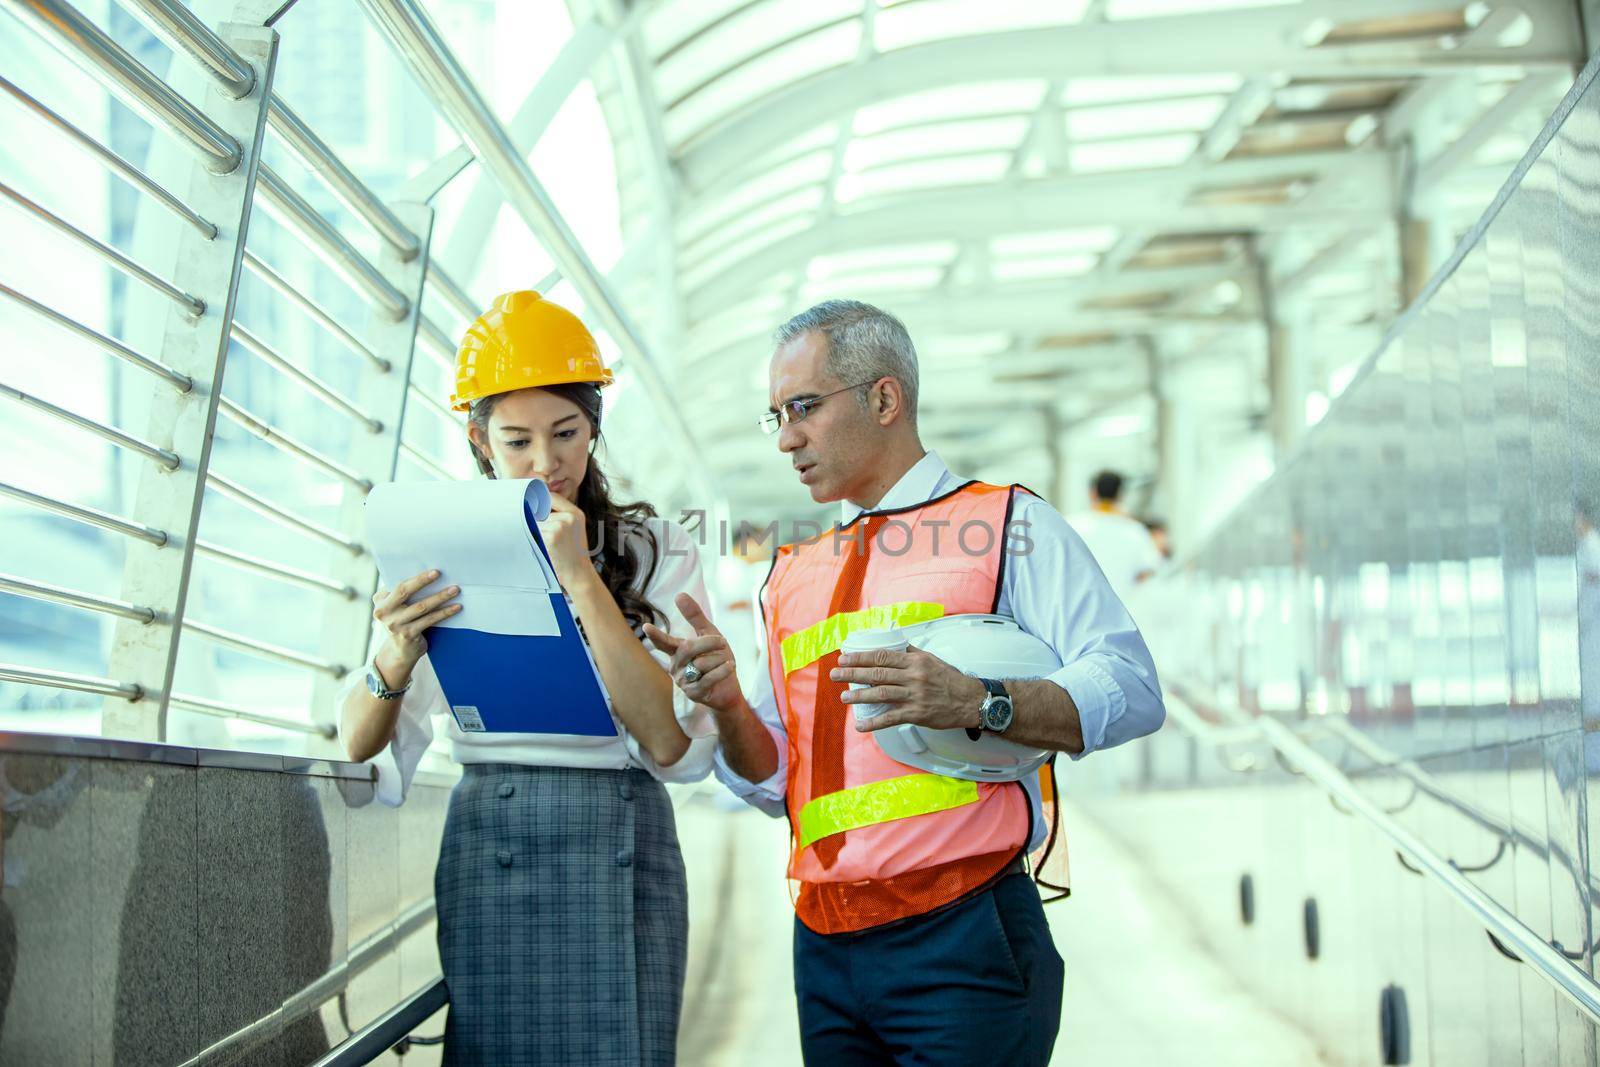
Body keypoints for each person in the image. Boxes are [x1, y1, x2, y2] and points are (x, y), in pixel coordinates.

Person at [644, 300, 1165, 1066]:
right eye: (776, 416)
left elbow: (1132, 684)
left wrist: (982, 701)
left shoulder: (1007, 524)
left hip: (963, 935)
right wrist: (725, 705)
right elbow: (776, 778)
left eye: (804, 407)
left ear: (884, 399)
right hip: (823, 945)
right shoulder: (791, 574)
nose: (787, 436)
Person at [339, 291, 716, 1066]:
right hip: (494, 842)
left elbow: (670, 742)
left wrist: (581, 579)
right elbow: (358, 743)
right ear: (478, 441)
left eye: (567, 434)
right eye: (517, 441)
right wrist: (398, 654)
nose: (547, 463)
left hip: (624, 835)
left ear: (595, 426)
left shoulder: (652, 547)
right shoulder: (439, 547)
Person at [1065, 470, 1164, 601]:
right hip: (1123, 612)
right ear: (1121, 495)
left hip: (1080, 611)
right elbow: (1148, 573)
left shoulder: (1072, 526)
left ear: (1092, 493)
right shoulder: (1134, 532)